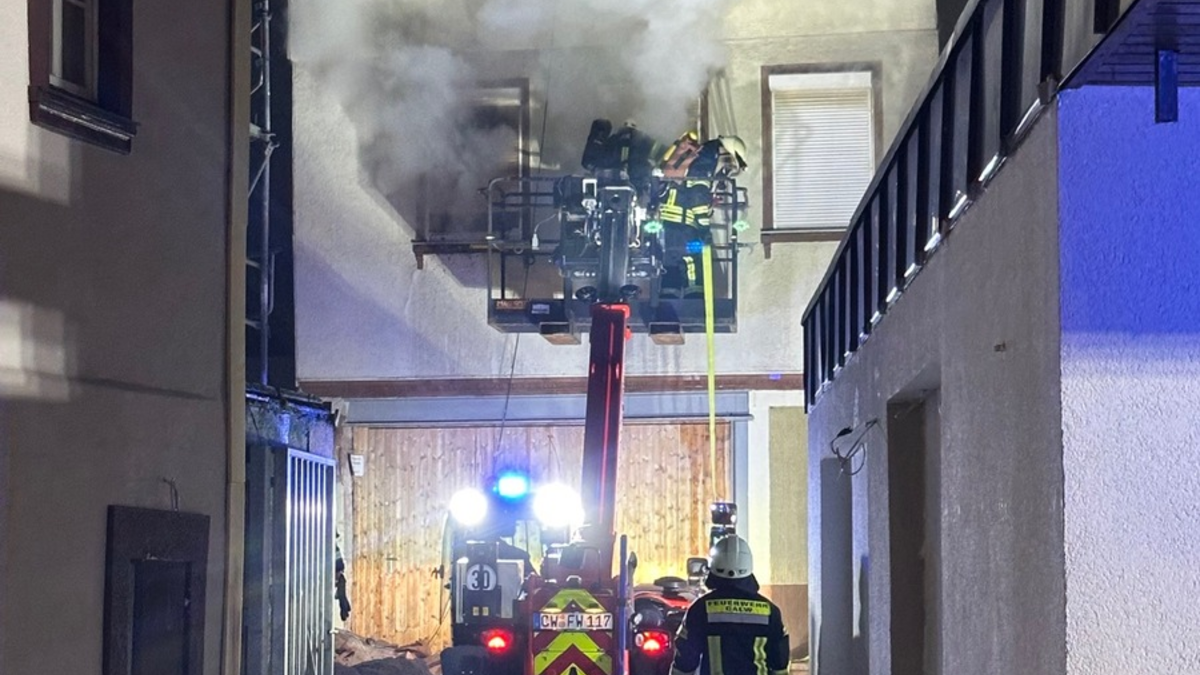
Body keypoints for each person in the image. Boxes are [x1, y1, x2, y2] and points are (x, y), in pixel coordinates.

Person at [670, 535, 790, 675]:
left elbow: (686, 661)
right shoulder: (770, 611)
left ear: (714, 568)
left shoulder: (700, 609)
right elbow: (779, 662)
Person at [657, 135, 747, 298]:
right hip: (683, 225)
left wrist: (709, 203)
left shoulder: (705, 155)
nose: (726, 170)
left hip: (672, 222)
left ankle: (668, 299)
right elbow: (697, 195)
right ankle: (695, 299)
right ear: (727, 153)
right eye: (729, 165)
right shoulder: (706, 160)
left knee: (671, 262)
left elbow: (694, 192)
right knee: (692, 260)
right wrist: (704, 227)